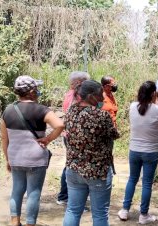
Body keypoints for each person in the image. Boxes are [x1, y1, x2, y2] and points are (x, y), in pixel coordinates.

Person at [1, 75, 64, 226]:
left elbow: (4, 138)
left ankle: (14, 222)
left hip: (15, 157)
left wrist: (8, 159)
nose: (38, 91)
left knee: (16, 190)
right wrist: (48, 139)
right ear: (31, 91)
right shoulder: (42, 110)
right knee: (33, 194)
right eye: (36, 88)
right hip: (36, 159)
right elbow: (60, 125)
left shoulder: (8, 111)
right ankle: (30, 223)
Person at [62, 80, 119, 226]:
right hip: (97, 171)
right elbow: (114, 134)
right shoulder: (101, 116)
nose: (102, 98)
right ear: (91, 96)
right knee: (100, 214)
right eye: (100, 95)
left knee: (73, 210)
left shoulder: (70, 112)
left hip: (73, 168)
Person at [117, 81, 158, 224]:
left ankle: (125, 210)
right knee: (146, 183)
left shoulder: (132, 107)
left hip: (134, 149)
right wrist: (156, 102)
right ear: (153, 94)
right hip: (151, 151)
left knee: (132, 179)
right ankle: (143, 215)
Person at [57, 71, 90, 206]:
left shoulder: (70, 94)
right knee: (73, 165)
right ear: (79, 83)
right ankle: (67, 196)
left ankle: (66, 195)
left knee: (71, 164)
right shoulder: (75, 97)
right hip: (74, 136)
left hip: (71, 135)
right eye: (86, 82)